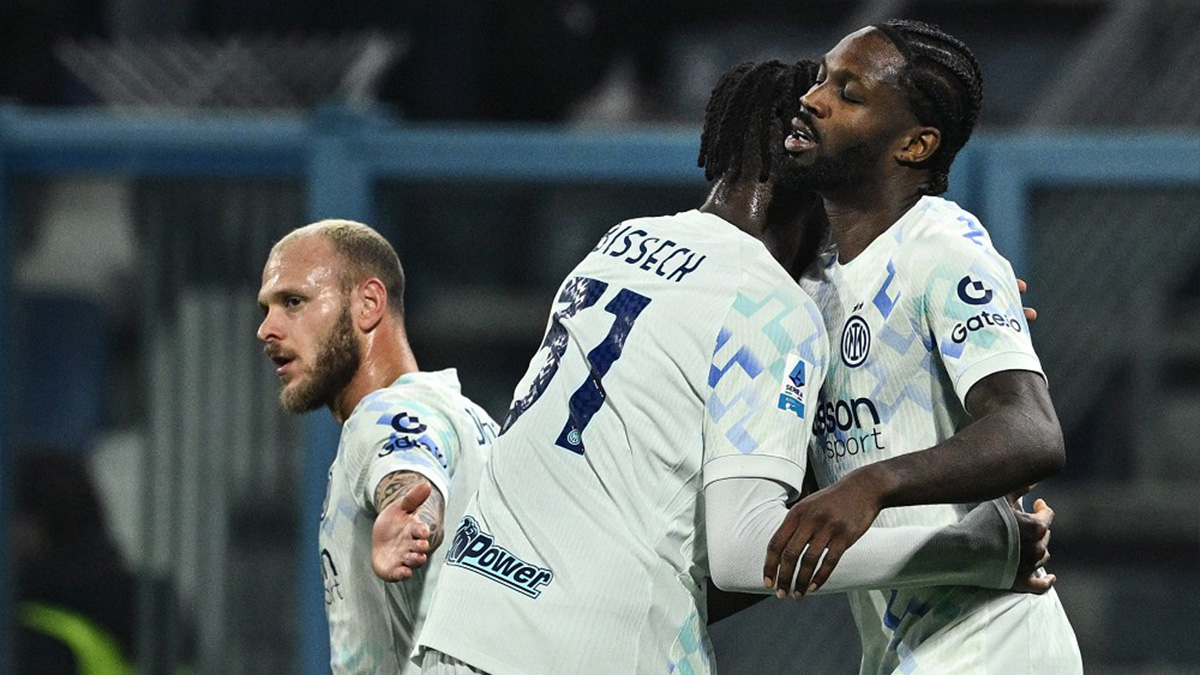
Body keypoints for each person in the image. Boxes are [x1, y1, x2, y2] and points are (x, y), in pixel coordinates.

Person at [414, 60, 1054, 675]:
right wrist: (973, 549)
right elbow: (747, 552)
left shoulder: (616, 244)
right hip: (597, 648)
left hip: (465, 619)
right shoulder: (768, 306)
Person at [766, 20, 1083, 674]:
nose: (814, 99)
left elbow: (1032, 430)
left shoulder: (943, 248)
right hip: (905, 650)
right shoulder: (813, 289)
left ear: (914, 144)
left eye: (849, 92)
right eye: (821, 78)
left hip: (993, 646)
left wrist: (873, 485)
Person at [256, 220, 497, 674]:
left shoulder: (384, 413)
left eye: (293, 302)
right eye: (266, 308)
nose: (266, 328)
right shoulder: (474, 419)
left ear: (368, 304)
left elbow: (411, 468)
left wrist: (413, 519)